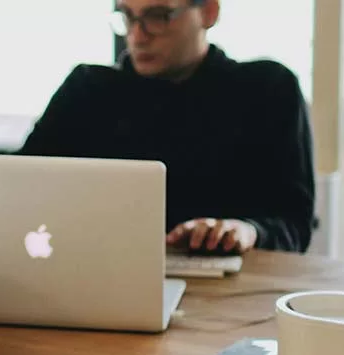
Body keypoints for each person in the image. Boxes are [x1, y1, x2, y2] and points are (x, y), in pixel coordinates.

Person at [17, 0, 315, 253]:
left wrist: (249, 231)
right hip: (99, 276)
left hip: (230, 292)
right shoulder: (86, 89)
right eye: (128, 17)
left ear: (209, 12)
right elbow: (17, 185)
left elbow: (294, 225)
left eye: (157, 16)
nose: (137, 35)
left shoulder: (268, 89)